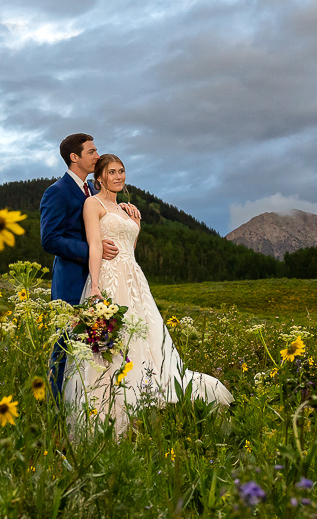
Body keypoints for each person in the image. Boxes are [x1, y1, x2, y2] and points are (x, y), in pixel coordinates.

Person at [63, 153, 232, 434]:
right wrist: (94, 288)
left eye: (122, 171)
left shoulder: (125, 210)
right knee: (110, 349)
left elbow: (129, 249)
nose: (119, 176)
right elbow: (95, 246)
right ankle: (107, 416)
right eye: (112, 172)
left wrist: (135, 226)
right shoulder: (92, 204)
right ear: (100, 177)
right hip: (109, 279)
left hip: (135, 281)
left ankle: (146, 406)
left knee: (146, 341)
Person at [40, 134, 132, 398]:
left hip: (101, 280)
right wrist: (94, 250)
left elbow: (103, 212)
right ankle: (56, 410)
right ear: (74, 157)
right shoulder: (56, 192)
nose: (97, 156)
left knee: (97, 347)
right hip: (71, 280)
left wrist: (119, 209)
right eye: (91, 152)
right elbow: (50, 239)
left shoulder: (92, 191)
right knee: (65, 346)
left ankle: (93, 402)